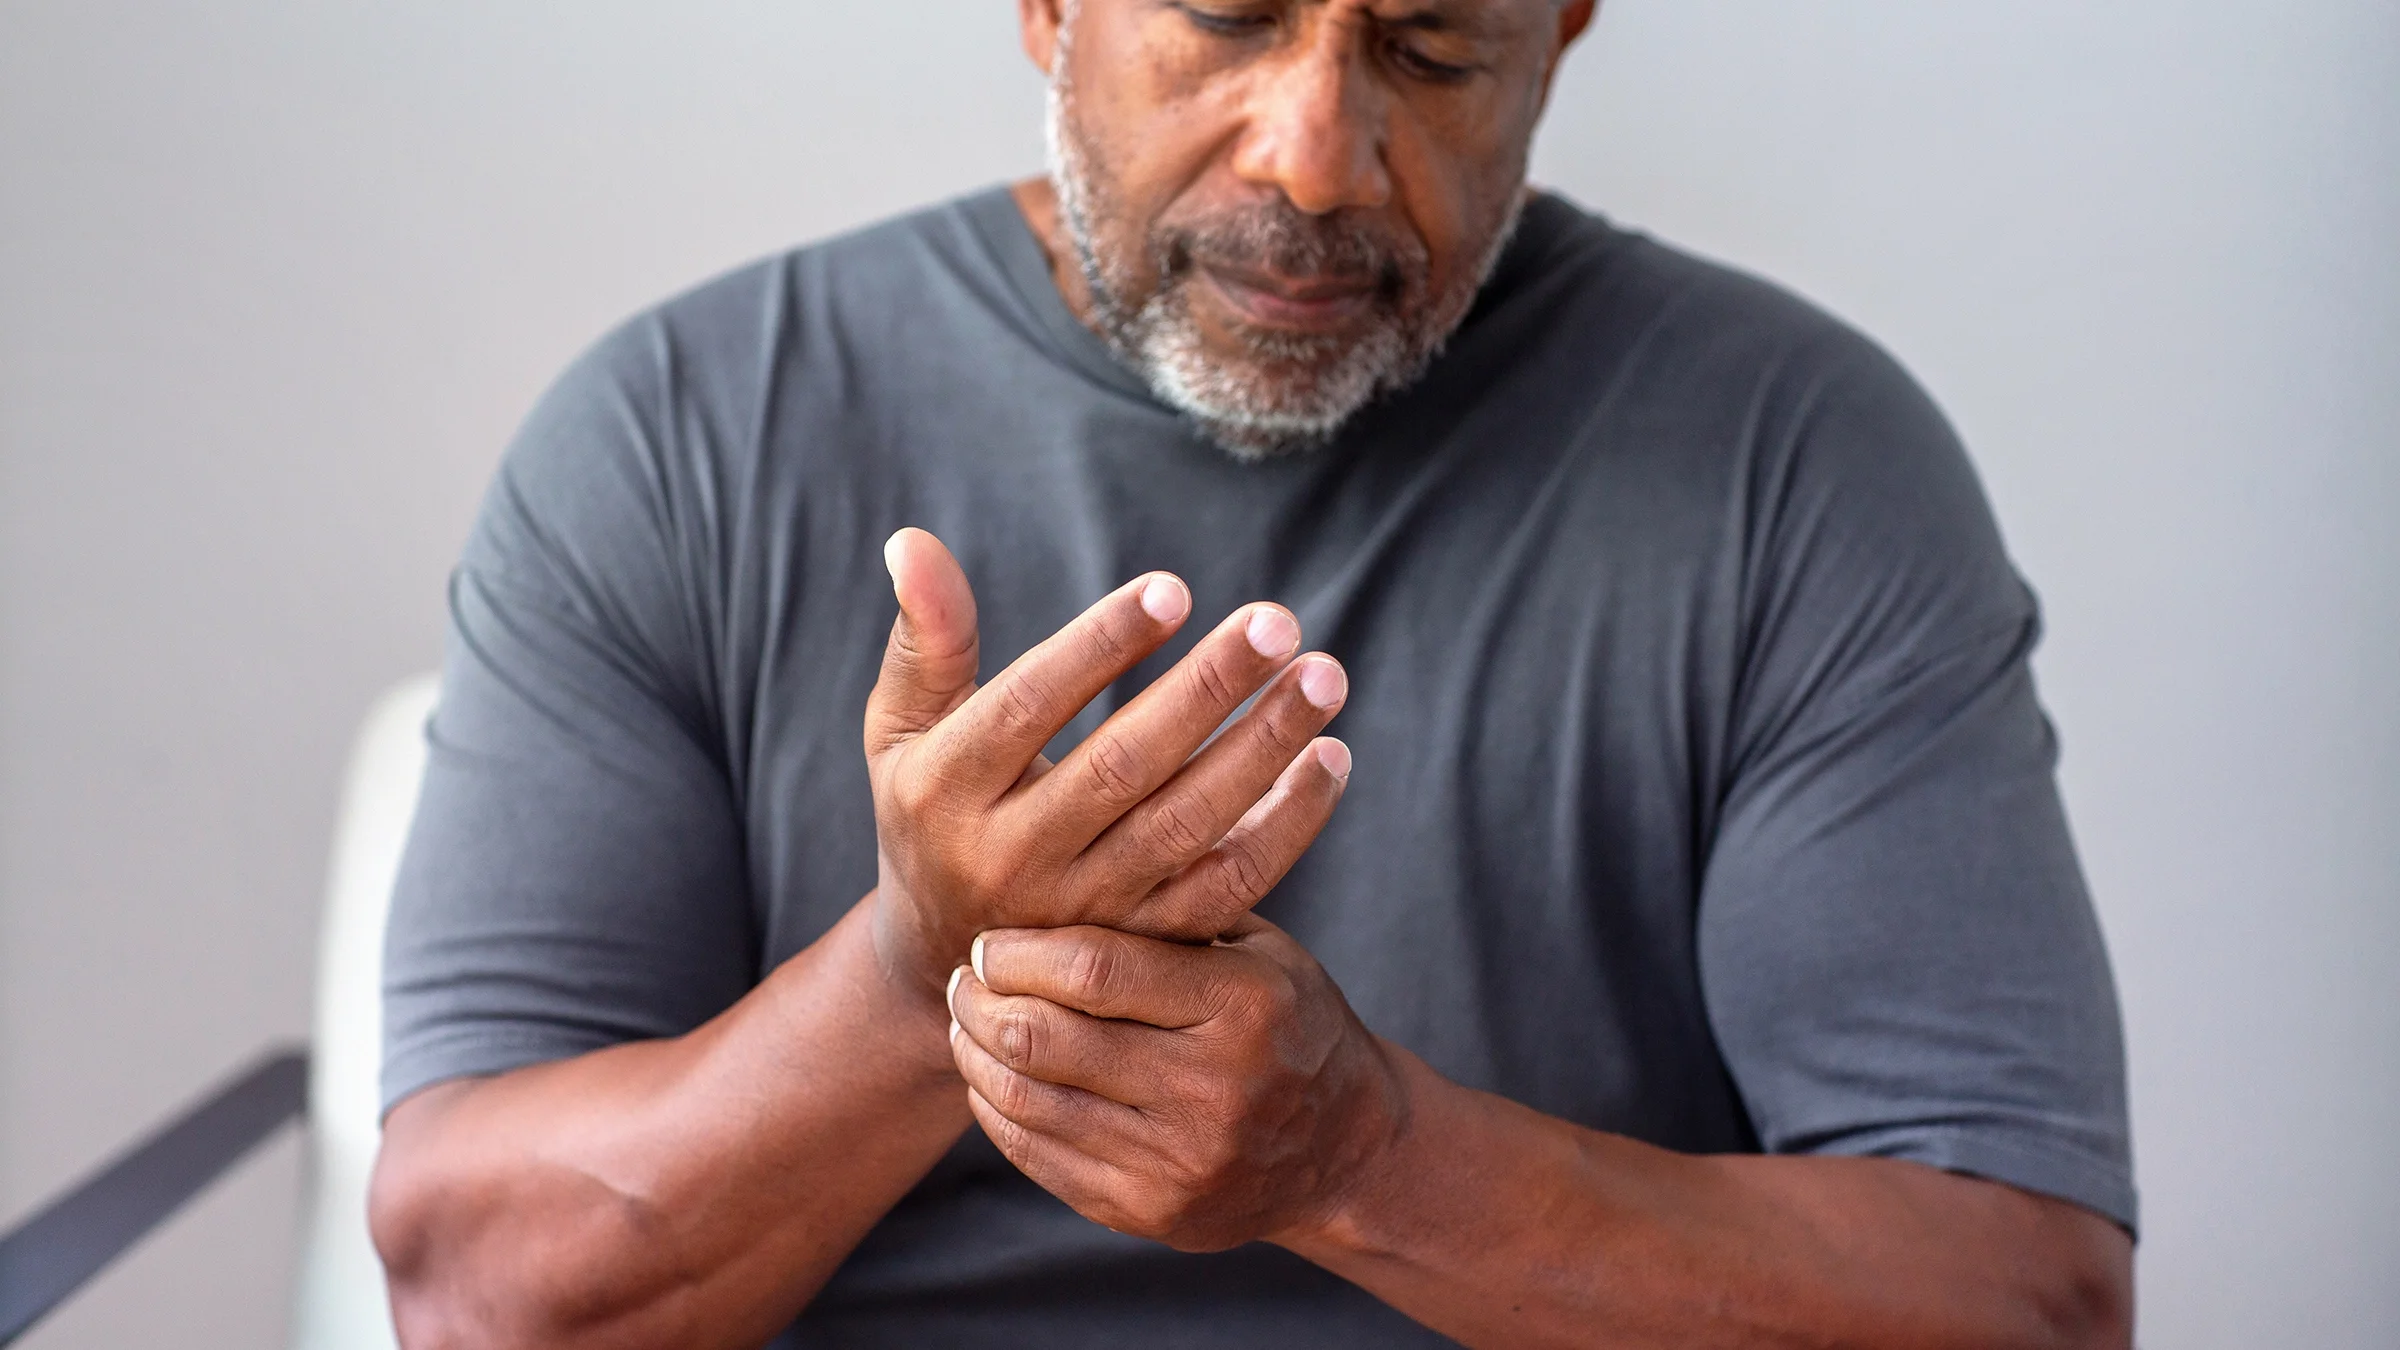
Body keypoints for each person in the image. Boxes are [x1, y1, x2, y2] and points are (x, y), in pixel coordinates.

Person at [368, 1, 2138, 1346]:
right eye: (1228, 14)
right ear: (1049, 5)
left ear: (1569, 25)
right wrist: (919, 978)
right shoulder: (681, 437)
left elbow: (2025, 1296)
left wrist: (1369, 1162)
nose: (1314, 156)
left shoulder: (1796, 462)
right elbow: (477, 1288)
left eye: (1432, 44)